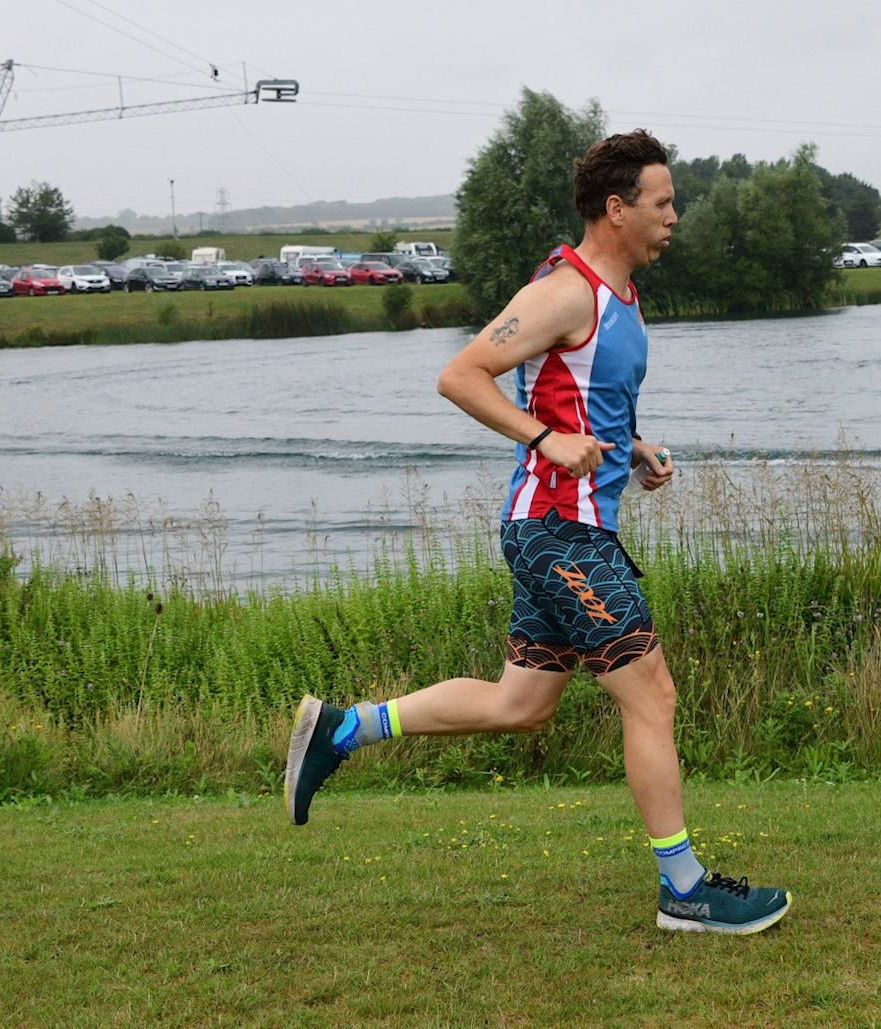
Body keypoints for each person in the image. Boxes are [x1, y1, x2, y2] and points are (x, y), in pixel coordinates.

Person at [283, 129, 791, 936]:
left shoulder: (620, 297)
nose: (675, 218)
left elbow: (580, 405)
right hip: (561, 531)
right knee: (652, 694)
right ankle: (686, 889)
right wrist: (542, 440)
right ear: (616, 209)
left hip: (562, 528)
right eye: (663, 204)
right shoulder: (568, 289)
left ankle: (347, 728)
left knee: (520, 703)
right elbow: (460, 375)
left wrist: (632, 447)